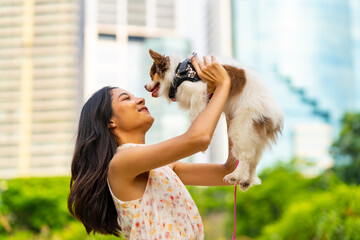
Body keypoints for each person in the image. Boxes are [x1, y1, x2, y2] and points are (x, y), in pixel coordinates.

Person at [68, 55, 238, 239]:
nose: (140, 99)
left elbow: (229, 173)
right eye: (126, 99)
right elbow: (199, 139)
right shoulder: (122, 162)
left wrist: (230, 106)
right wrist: (222, 87)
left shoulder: (163, 168)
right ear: (110, 122)